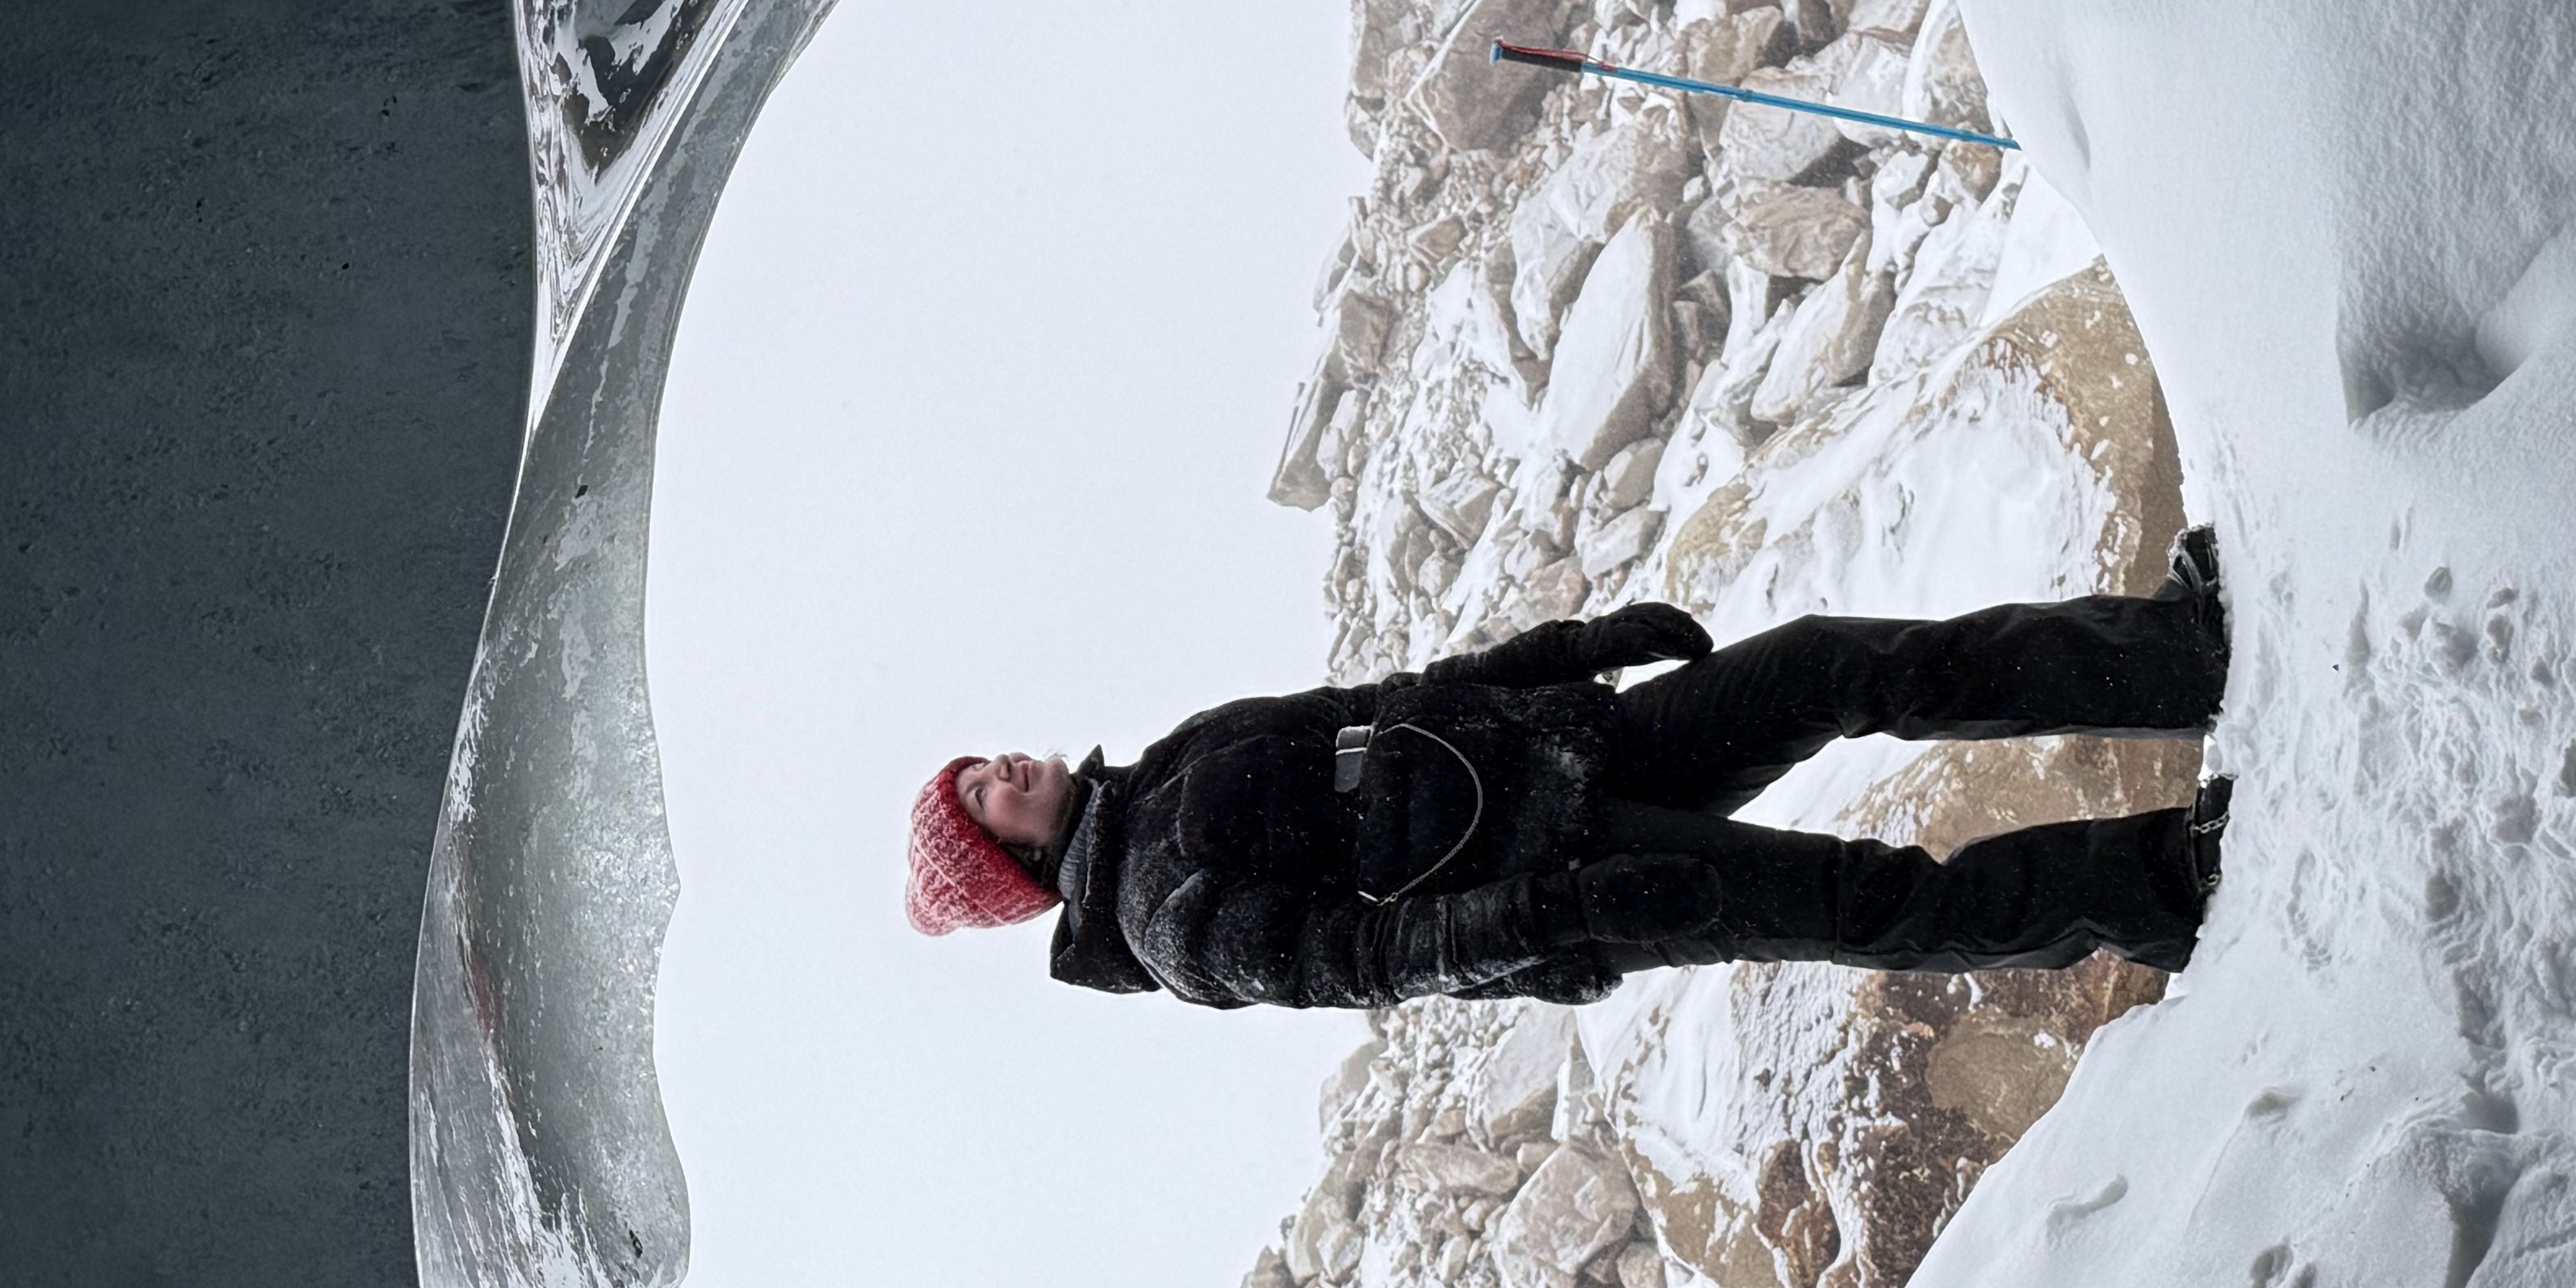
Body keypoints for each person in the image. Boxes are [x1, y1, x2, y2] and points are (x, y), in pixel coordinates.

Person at [903, 536, 2232, 1010]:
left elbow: (1390, 703)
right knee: (1870, 899)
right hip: (1577, 880)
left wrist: (1576, 648)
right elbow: (1379, 961)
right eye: (983, 800)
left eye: (981, 768)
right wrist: (1576, 911)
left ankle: (2169, 659)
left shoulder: (1176, 757)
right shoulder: (1165, 923)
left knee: (1827, 663)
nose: (1001, 770)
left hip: (1579, 752)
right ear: (1015, 862)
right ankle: (2160, 885)